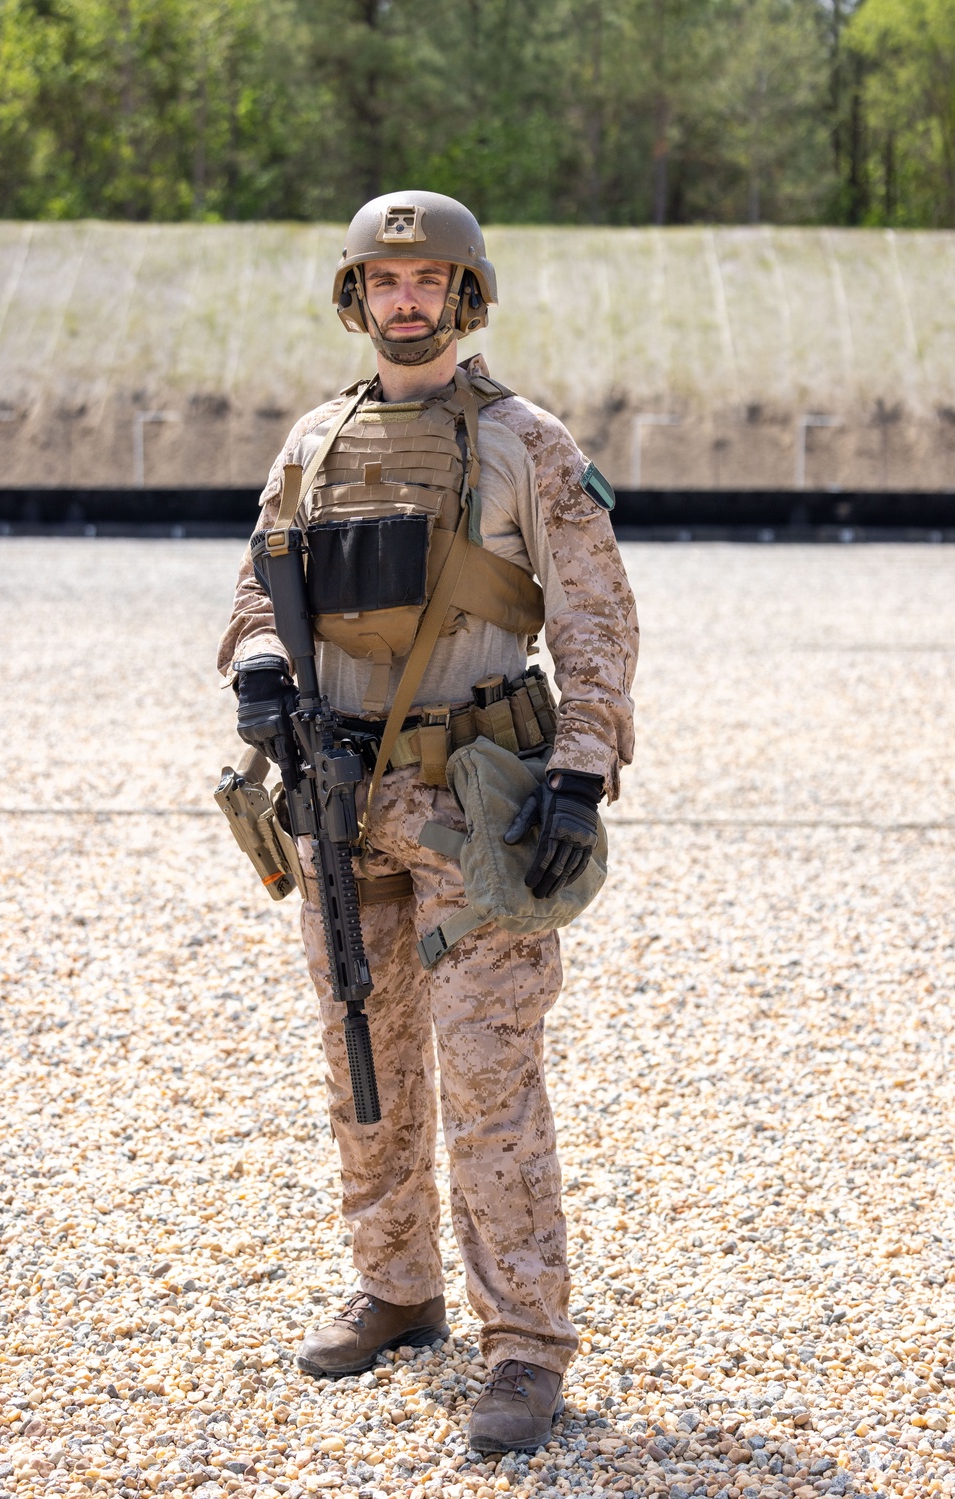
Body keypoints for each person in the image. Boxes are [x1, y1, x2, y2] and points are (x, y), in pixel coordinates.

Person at [217, 190, 638, 1455]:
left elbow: (598, 619)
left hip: (475, 807)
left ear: (464, 297)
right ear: (357, 297)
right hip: (340, 805)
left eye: (428, 281)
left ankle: (524, 1343)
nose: (406, 299)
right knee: (368, 1057)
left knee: (491, 1072)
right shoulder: (314, 439)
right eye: (384, 280)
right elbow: (258, 576)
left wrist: (580, 767)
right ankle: (396, 1288)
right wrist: (250, 662)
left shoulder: (527, 442)